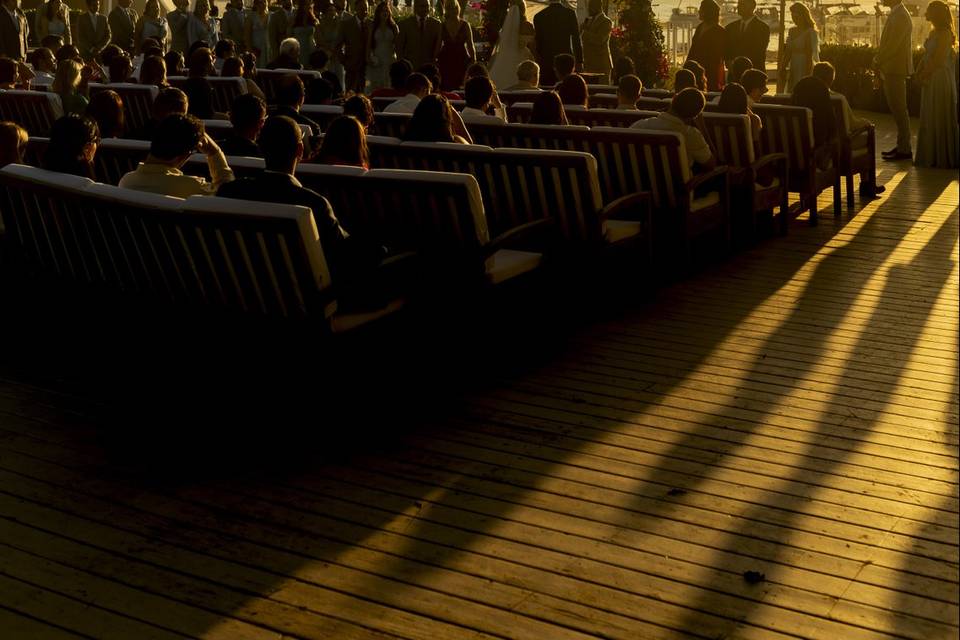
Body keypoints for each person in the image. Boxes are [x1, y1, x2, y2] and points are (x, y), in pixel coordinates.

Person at [216, 115, 384, 285]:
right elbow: (343, 256)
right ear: (300, 150)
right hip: (312, 296)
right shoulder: (314, 204)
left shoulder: (230, 191)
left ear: (260, 148)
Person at [120, 113, 234, 197]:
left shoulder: (126, 181)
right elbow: (227, 194)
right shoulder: (192, 187)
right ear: (184, 155)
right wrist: (215, 153)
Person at [913, 0, 958, 169]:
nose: (926, 13)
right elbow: (927, 56)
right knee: (931, 114)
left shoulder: (945, 34)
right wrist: (919, 71)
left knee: (939, 113)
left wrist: (923, 74)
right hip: (931, 79)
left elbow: (938, 59)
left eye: (929, 10)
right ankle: (931, 155)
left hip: (939, 79)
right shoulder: (934, 33)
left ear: (936, 14)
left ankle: (941, 157)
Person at [631, 87, 715, 171]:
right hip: (681, 183)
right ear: (695, 115)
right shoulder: (690, 134)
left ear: (674, 98)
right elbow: (710, 164)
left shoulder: (640, 126)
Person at [874, 0, 914, 161]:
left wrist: (878, 59)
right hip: (893, 68)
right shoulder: (898, 14)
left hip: (895, 69)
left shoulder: (901, 16)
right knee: (897, 109)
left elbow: (893, 45)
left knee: (899, 109)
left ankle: (905, 149)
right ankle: (902, 145)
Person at [791, 74, 836, 169]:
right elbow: (832, 130)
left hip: (791, 158)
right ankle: (866, 182)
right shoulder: (823, 101)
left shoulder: (791, 112)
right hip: (812, 157)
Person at [489, 0, 535, 90]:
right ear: (524, 9)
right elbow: (533, 45)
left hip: (505, 55)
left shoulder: (507, 27)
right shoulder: (527, 26)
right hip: (523, 57)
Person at [534, 0, 581, 87]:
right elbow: (576, 39)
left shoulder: (538, 16)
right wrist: (579, 60)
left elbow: (538, 42)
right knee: (567, 89)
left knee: (547, 89)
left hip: (546, 60)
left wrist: (539, 60)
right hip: (565, 60)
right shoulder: (570, 14)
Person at [778, 2, 818, 93]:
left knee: (802, 89)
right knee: (791, 89)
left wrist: (808, 75)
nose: (794, 18)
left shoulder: (810, 32)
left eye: (796, 15)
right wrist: (783, 67)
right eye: (792, 15)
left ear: (803, 15)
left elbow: (809, 55)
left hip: (803, 65)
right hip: (793, 64)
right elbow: (788, 52)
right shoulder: (791, 31)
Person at [686, 0, 725, 91]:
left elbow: (717, 55)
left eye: (701, 9)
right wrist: (688, 64)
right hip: (695, 68)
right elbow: (693, 48)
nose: (699, 11)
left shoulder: (719, 31)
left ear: (708, 12)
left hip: (711, 71)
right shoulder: (700, 27)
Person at [435, 0, 473, 91]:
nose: (453, 10)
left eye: (455, 8)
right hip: (446, 59)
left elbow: (470, 45)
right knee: (445, 86)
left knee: (461, 86)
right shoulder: (442, 25)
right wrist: (434, 60)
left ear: (458, 8)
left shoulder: (465, 25)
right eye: (450, 8)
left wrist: (473, 62)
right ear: (446, 10)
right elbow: (438, 44)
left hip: (461, 59)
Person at [723, 0, 769, 74]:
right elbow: (727, 48)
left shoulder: (763, 28)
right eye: (739, 4)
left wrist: (740, 65)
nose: (738, 6)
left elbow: (759, 51)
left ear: (752, 7)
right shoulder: (730, 27)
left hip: (753, 73)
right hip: (733, 73)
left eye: (742, 4)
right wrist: (728, 61)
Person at [395, 0, 441, 71]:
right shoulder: (405, 24)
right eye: (422, 6)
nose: (425, 9)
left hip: (429, 67)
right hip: (410, 67)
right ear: (416, 7)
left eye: (427, 6)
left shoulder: (436, 24)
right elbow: (399, 48)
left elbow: (438, 47)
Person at [403, 93, 468, 143]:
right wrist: (454, 114)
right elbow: (469, 146)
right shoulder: (454, 142)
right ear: (445, 118)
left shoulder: (405, 143)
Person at [334, 0, 369, 92]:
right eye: (362, 8)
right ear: (356, 9)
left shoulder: (371, 24)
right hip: (351, 67)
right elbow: (338, 46)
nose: (364, 11)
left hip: (367, 68)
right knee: (350, 93)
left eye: (366, 9)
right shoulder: (346, 24)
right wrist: (345, 61)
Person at [717, 82, 760, 151]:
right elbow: (756, 148)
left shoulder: (716, 119)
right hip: (745, 160)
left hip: (721, 160)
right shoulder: (750, 120)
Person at [366, 1, 398, 92]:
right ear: (378, 13)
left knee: (389, 84)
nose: (385, 13)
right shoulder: (373, 26)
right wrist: (368, 58)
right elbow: (368, 45)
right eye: (383, 11)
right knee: (375, 85)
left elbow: (398, 45)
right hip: (377, 57)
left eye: (387, 11)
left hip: (390, 58)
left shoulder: (393, 27)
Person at [580, 0, 612, 84]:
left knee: (601, 91)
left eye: (590, 7)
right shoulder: (589, 20)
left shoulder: (606, 21)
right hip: (589, 63)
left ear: (598, 7)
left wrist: (585, 32)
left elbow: (600, 39)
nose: (588, 9)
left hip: (601, 64)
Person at [183, 47, 219, 119]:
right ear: (204, 65)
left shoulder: (187, 83)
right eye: (211, 61)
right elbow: (209, 114)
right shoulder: (204, 85)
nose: (212, 65)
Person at [316, 0, 344, 88]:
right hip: (326, 55)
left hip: (337, 55)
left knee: (339, 77)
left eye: (333, 10)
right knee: (328, 78)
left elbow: (342, 38)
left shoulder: (340, 23)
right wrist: (329, 50)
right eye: (330, 10)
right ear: (325, 12)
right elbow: (320, 40)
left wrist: (335, 49)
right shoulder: (320, 24)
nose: (332, 12)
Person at [290, 0, 317, 67]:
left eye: (309, 4)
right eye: (306, 4)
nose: (308, 6)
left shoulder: (314, 19)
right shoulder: (295, 18)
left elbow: (318, 33)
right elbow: (290, 33)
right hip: (298, 47)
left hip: (310, 47)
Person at [268, 0, 294, 64]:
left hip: (298, 50)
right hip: (282, 52)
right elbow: (272, 37)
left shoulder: (298, 12)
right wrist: (276, 54)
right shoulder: (275, 16)